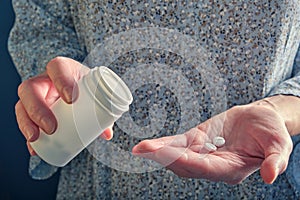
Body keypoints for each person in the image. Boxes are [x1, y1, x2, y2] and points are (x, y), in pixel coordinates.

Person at [8, 0, 300, 199]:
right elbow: (43, 20)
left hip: (262, 181)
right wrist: (57, 77)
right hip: (104, 184)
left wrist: (278, 108)